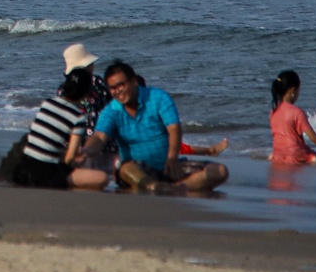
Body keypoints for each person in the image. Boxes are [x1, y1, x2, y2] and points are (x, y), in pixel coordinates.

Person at [97, 61, 229, 192]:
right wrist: (85, 152)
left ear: (133, 81)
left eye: (121, 85)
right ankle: (153, 186)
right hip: (137, 169)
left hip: (168, 165)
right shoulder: (111, 111)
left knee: (220, 171)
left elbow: (174, 128)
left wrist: (172, 158)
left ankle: (177, 188)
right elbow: (99, 137)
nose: (117, 91)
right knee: (126, 169)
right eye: (112, 88)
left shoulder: (158, 97)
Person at [3, 48, 109, 190]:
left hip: (24, 168)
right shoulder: (78, 116)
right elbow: (70, 157)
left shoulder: (47, 103)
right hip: (47, 174)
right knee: (102, 178)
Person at [269, 70, 316, 165]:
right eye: (299, 90)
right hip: (296, 154)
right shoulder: (296, 112)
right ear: (293, 91)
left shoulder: (273, 112)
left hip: (278, 154)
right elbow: (313, 137)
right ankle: (311, 159)